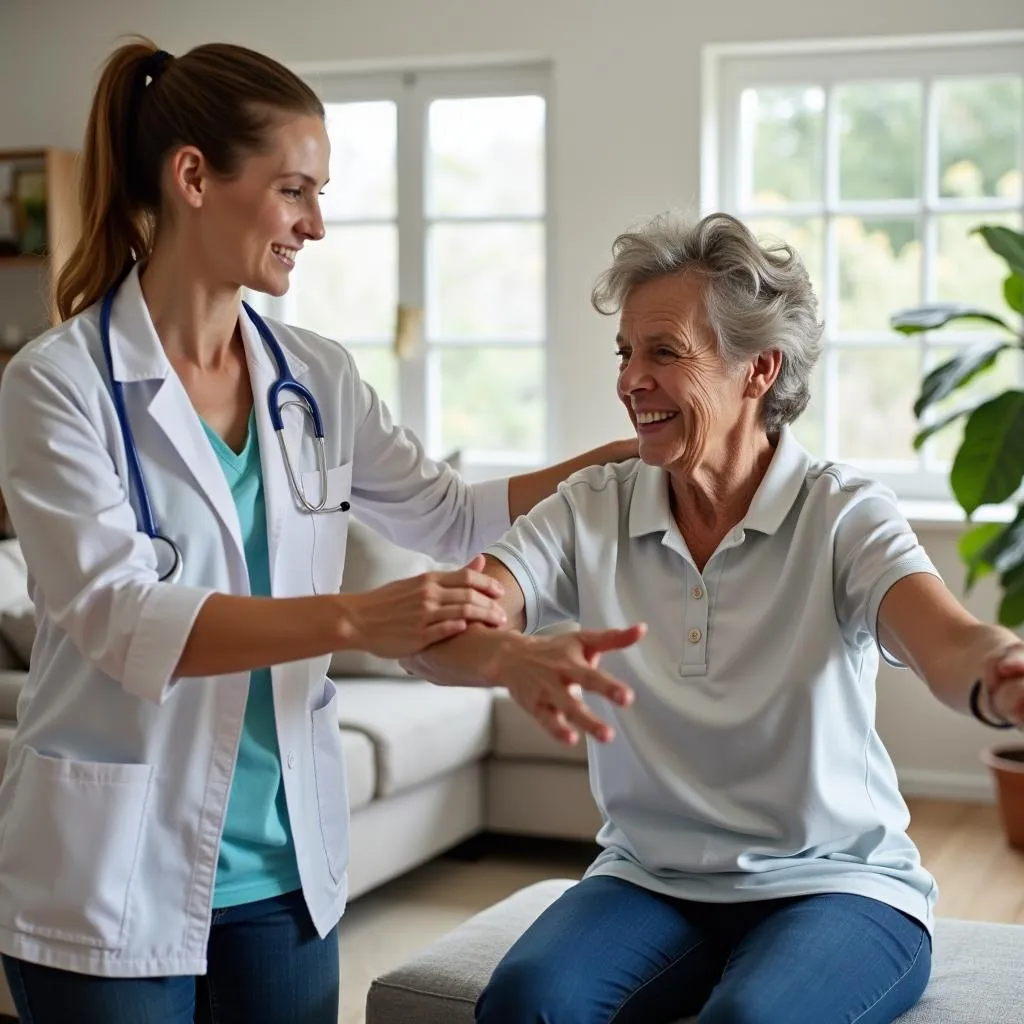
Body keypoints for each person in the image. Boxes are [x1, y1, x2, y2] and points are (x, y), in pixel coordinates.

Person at [0, 39, 637, 1024]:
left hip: (284, 874)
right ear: (194, 177)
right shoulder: (57, 383)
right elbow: (118, 618)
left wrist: (632, 457)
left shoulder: (316, 378)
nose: (317, 224)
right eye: (295, 189)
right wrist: (353, 618)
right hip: (112, 875)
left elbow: (451, 514)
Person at [405, 211, 1024, 1024]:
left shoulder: (840, 511)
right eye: (625, 352)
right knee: (527, 1004)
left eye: (664, 352)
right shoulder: (592, 507)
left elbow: (947, 639)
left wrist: (1000, 674)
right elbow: (444, 631)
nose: (631, 380)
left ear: (759, 368)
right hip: (648, 877)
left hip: (837, 882)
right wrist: (506, 656)